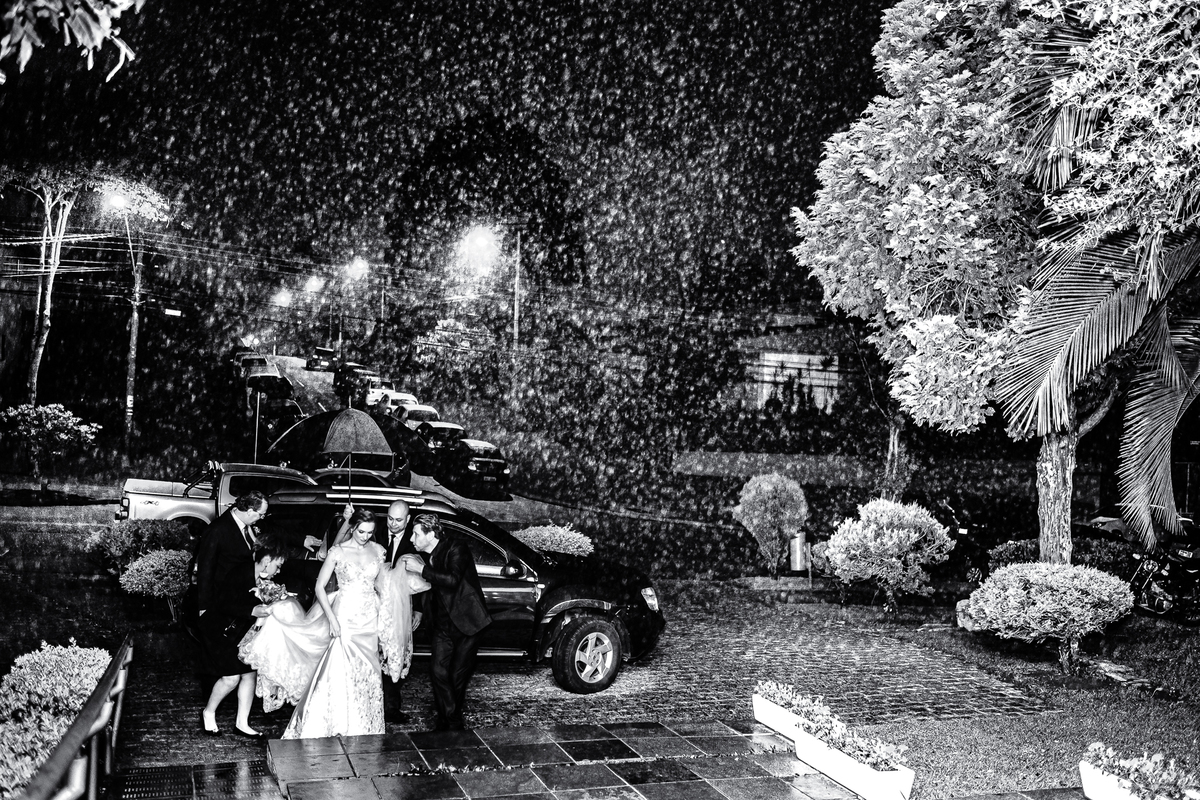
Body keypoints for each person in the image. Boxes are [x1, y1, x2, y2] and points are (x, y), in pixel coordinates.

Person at [281, 509, 387, 738]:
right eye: (361, 531)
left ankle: (364, 722)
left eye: (370, 532)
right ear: (352, 527)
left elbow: (380, 586)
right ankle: (337, 721)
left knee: (368, 669)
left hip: (369, 617)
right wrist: (332, 619)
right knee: (341, 667)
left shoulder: (378, 551)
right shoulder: (338, 551)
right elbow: (320, 587)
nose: (365, 536)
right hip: (345, 615)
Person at [195, 491, 272, 738]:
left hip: (239, 610)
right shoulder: (219, 529)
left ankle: (242, 722)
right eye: (261, 514)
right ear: (249, 511)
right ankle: (208, 713)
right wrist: (204, 608)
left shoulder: (246, 530)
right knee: (231, 675)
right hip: (220, 611)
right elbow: (204, 569)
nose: (262, 518)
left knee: (248, 670)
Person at [405, 514, 491, 731]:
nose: (412, 540)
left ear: (431, 534)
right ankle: (453, 722)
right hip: (442, 627)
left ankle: (447, 723)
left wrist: (421, 570)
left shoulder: (456, 548)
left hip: (468, 624)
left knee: (456, 677)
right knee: (437, 671)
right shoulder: (423, 557)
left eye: (416, 534)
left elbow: (452, 580)